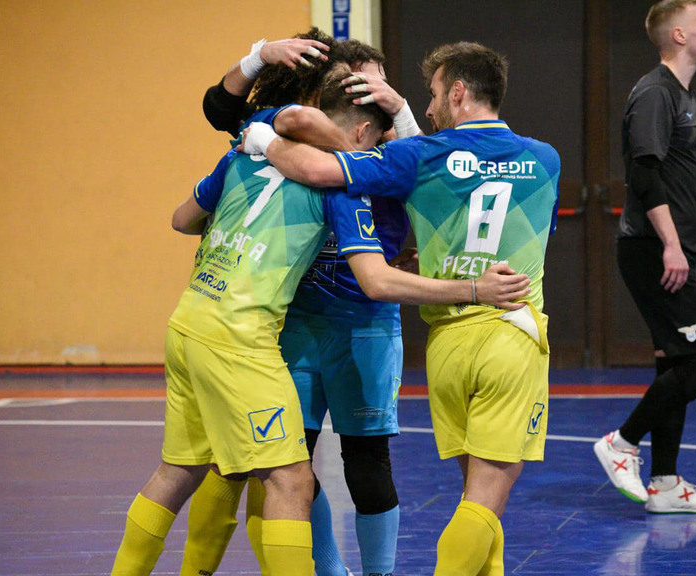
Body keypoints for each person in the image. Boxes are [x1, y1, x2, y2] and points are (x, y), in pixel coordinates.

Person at [109, 69, 531, 576]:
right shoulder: (337, 187)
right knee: (290, 480)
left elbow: (182, 219)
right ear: (362, 132)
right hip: (244, 337)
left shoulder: (245, 150)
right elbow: (376, 280)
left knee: (186, 469)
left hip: (189, 322)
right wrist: (474, 289)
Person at [239, 41, 560, 575]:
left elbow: (318, 169)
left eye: (432, 95)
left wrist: (261, 136)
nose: (427, 109)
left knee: (477, 496)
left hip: (449, 344)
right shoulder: (546, 159)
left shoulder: (419, 159)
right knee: (484, 500)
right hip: (510, 335)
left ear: (458, 92)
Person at [198, 33, 422, 576]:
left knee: (366, 460)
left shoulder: (394, 147)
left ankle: (380, 572)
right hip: (296, 324)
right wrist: (259, 55)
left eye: (376, 85)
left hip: (366, 325)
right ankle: (328, 568)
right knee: (289, 459)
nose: (366, 92)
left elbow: (431, 176)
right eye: (355, 82)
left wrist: (402, 112)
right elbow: (219, 107)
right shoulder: (288, 131)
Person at [593, 0, 696, 514]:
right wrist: (669, 243)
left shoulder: (689, 100)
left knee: (679, 363)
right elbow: (644, 175)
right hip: (652, 248)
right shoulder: (654, 94)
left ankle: (665, 483)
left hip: (680, 247)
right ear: (681, 35)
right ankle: (621, 443)